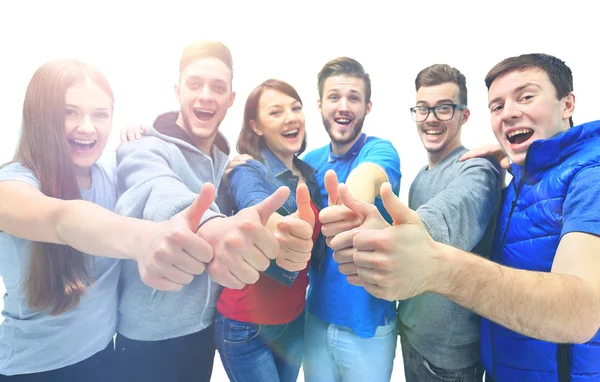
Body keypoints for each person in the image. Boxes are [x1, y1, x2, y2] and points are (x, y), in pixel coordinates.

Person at [333, 53, 600, 381]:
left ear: (568, 104)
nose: (510, 112)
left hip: (454, 361)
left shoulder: (589, 175)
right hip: (452, 351)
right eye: (498, 106)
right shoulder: (519, 171)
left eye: (526, 97)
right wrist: (515, 158)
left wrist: (424, 255)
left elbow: (582, 313)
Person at [0, 59, 219, 381]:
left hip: (105, 359)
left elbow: (158, 181)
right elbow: (62, 219)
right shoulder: (12, 185)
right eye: (69, 112)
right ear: (39, 116)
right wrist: (144, 239)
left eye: (100, 115)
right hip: (32, 369)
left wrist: (241, 161)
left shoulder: (111, 177)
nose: (87, 127)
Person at [113, 41, 296, 382]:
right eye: (195, 84)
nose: (206, 96)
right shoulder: (144, 148)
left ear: (231, 98)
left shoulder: (228, 164)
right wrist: (209, 223)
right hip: (146, 339)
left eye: (218, 87)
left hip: (203, 335)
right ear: (177, 90)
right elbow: (154, 186)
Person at [301, 57, 401, 382]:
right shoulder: (307, 163)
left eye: (353, 98)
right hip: (314, 318)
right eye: (334, 97)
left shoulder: (381, 151)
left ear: (367, 106)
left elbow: (368, 176)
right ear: (319, 104)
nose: (343, 106)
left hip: (368, 328)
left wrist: (349, 204)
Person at [216, 79, 323, 382]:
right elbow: (254, 202)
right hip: (247, 327)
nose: (290, 117)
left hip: (294, 321)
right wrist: (274, 225)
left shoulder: (307, 173)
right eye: (275, 112)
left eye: (295, 108)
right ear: (257, 126)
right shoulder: (248, 168)